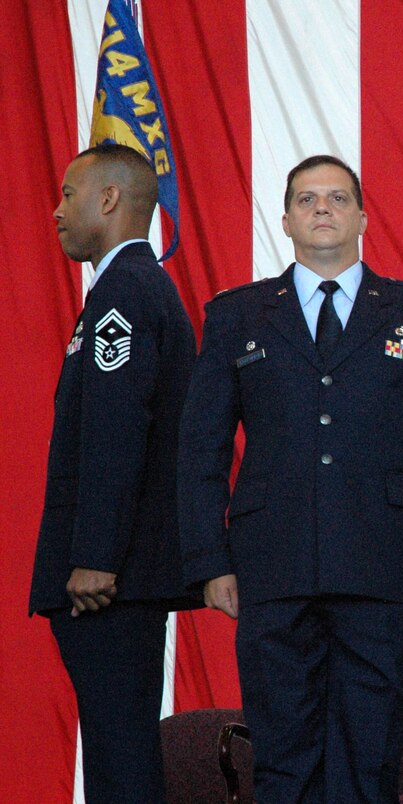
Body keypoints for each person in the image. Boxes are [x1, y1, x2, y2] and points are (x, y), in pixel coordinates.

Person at [177, 155, 403, 802]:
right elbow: (200, 447)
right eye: (308, 199)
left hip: (384, 562)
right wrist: (209, 560)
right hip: (271, 564)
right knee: (283, 761)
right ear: (286, 219)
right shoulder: (238, 315)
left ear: (364, 218)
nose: (323, 208)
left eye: (338, 198)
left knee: (370, 758)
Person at [29, 143, 200, 802]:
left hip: (112, 581)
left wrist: (96, 554)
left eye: (69, 194)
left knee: (122, 759)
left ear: (108, 199)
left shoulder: (125, 294)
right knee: (112, 752)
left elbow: (117, 432)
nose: (56, 211)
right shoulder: (131, 289)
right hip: (120, 578)